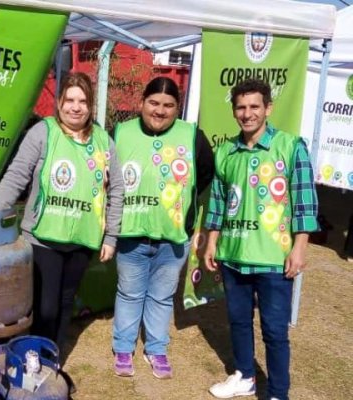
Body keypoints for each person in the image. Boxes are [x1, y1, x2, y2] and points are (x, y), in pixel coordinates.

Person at [0, 71, 124, 356]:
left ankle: (52, 357)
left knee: (65, 301)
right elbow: (16, 176)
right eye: (70, 100)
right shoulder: (42, 132)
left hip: (81, 239)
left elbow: (117, 190)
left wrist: (111, 236)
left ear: (91, 106)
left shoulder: (104, 141)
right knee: (45, 305)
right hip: (43, 238)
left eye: (83, 101)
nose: (76, 107)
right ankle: (32, 357)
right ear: (60, 101)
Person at [202, 79, 318, 400]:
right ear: (234, 110)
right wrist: (212, 241)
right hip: (234, 253)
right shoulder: (226, 151)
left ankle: (279, 392)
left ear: (268, 108)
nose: (247, 113)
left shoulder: (290, 146)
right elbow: (218, 201)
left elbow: (304, 200)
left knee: (274, 331)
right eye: (241, 107)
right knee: (238, 321)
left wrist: (300, 245)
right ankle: (245, 376)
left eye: (254, 106)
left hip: (273, 258)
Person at [111, 77, 214, 378]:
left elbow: (205, 173)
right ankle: (123, 348)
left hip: (174, 236)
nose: (160, 110)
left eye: (168, 105)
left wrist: (183, 204)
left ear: (177, 108)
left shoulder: (193, 136)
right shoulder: (120, 132)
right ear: (142, 102)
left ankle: (156, 349)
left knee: (161, 295)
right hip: (131, 233)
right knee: (129, 292)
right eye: (154, 103)